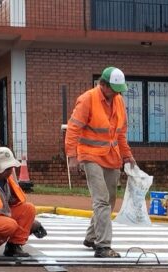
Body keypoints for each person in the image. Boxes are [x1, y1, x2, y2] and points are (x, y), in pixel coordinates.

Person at [65, 66, 136, 258]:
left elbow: (121, 133)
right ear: (102, 84)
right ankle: (103, 246)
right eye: (114, 89)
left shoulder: (119, 101)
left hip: (111, 157)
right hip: (90, 155)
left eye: (119, 89)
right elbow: (73, 129)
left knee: (110, 200)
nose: (117, 93)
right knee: (102, 200)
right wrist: (72, 156)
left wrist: (127, 155)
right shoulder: (87, 99)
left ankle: (91, 236)